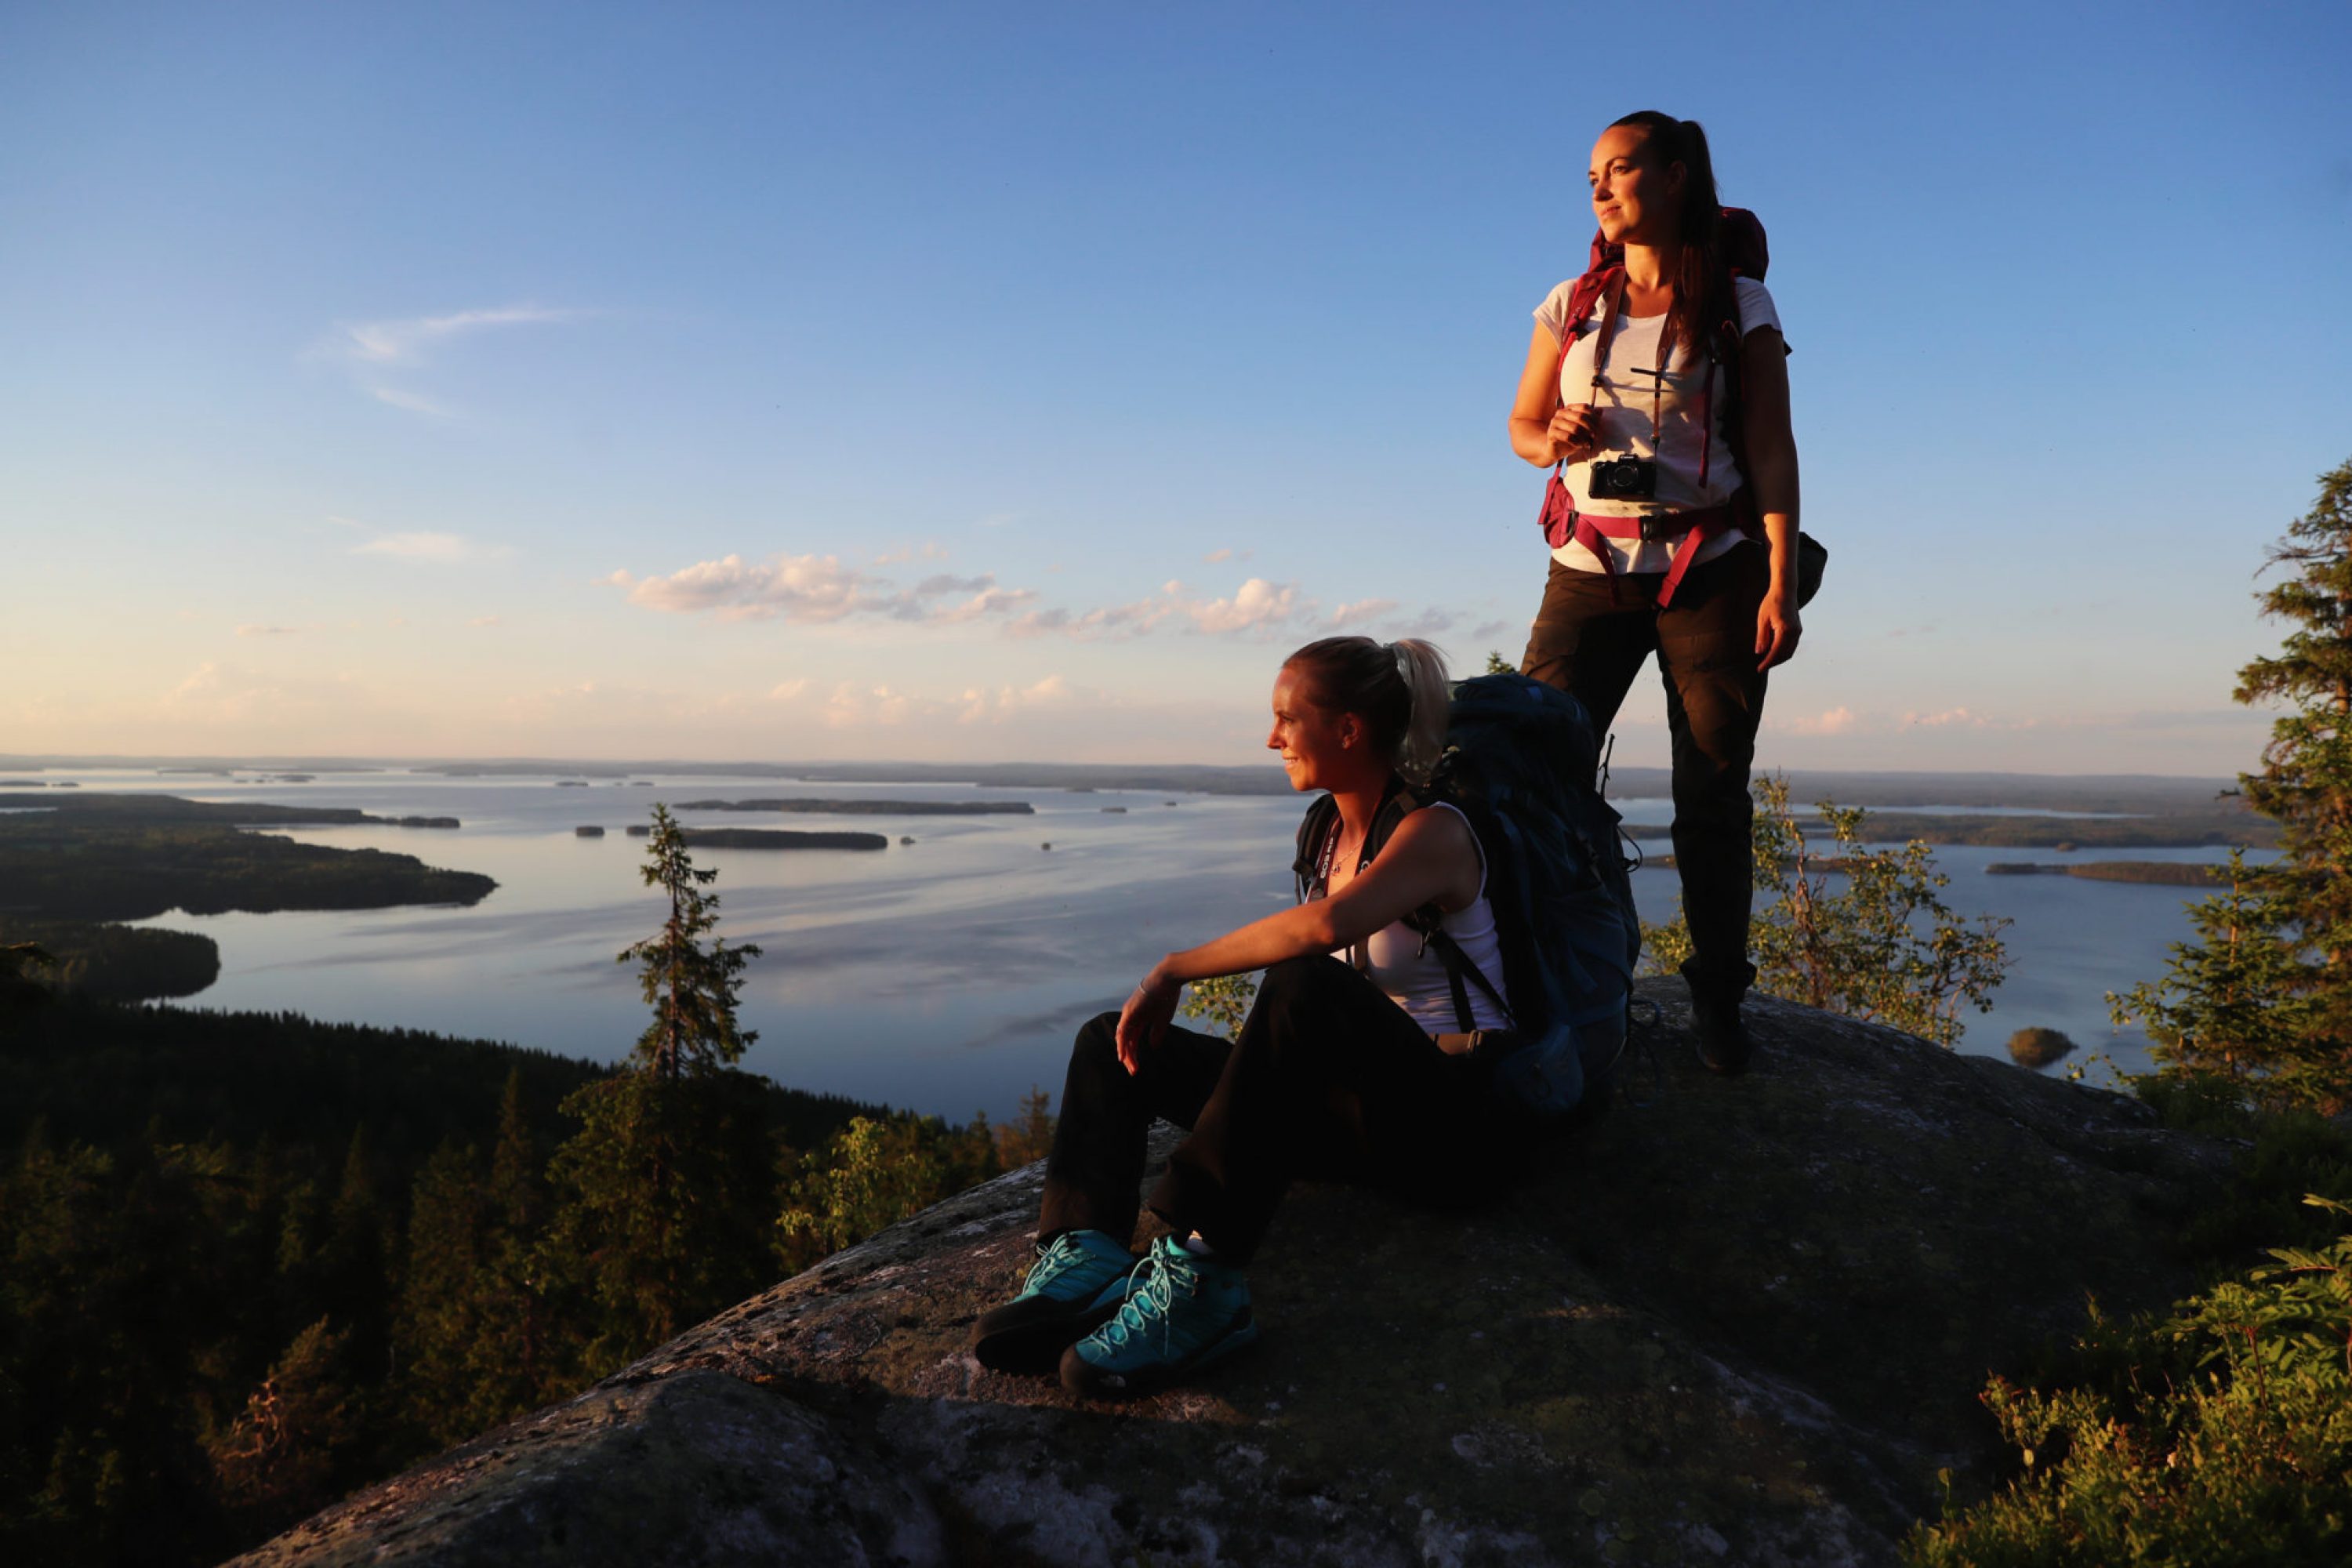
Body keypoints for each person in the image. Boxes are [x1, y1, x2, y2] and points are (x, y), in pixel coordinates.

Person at [971, 637, 1527, 1399]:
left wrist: (1172, 967)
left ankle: (1205, 1283)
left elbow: (1322, 931)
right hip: (1353, 1120)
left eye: (1285, 718)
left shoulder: (1435, 832)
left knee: (1304, 978)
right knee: (1112, 1042)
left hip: (1451, 1130)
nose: (1271, 738)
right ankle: (1090, 1257)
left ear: (1349, 730)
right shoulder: (1325, 834)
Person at [1506, 111, 1802, 1075]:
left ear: (1676, 178)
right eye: (1591, 173)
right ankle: (1538, 984)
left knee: (1710, 795)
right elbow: (1519, 424)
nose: (1600, 188)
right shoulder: (1570, 303)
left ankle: (1719, 1003)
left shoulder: (1737, 303)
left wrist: (1780, 578)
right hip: (1589, 570)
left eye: (1620, 169)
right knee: (1526, 778)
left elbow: (1769, 445)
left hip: (1708, 569)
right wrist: (1552, 436)